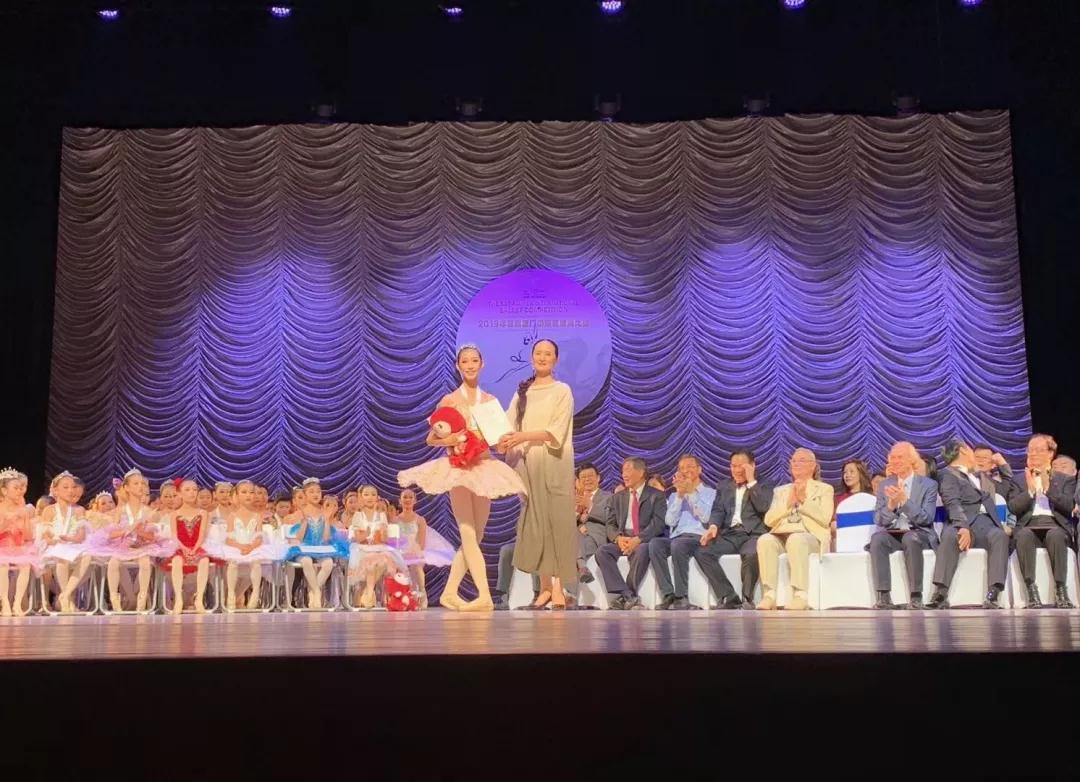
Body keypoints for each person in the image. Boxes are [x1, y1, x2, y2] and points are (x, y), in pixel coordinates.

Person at [400, 344, 526, 612]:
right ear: (458, 366)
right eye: (465, 361)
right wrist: (454, 439)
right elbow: (431, 438)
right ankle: (485, 595)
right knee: (467, 532)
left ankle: (448, 592)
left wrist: (503, 441)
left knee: (475, 536)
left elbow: (497, 440)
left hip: (484, 467)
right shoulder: (449, 400)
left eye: (474, 361)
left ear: (482, 364)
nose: (469, 365)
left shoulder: (490, 401)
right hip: (458, 469)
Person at [497, 339, 577, 610]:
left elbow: (556, 431)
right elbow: (506, 425)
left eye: (548, 354)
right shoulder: (523, 392)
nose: (543, 357)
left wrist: (522, 436)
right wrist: (501, 439)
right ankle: (544, 588)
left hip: (554, 461)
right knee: (536, 522)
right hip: (528, 463)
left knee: (558, 522)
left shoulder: (562, 390)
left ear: (555, 359)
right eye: (538, 353)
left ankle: (559, 587)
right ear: (532, 358)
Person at [927, 439, 1010, 609]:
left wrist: (1003, 465)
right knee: (951, 535)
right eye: (972, 451)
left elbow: (1007, 488)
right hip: (962, 520)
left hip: (986, 523)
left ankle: (993, 593)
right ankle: (941, 593)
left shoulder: (982, 477)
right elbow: (952, 502)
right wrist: (962, 526)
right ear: (964, 451)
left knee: (999, 536)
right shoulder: (947, 474)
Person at [1004, 434, 1077, 608]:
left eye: (1039, 450)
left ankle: (1061, 591)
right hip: (1029, 525)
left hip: (1055, 525)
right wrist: (1030, 492)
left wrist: (1048, 489)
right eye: (1031, 450)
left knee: (1055, 536)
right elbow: (1013, 507)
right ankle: (1031, 591)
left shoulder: (1064, 479)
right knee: (1023, 536)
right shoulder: (1018, 479)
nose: (1034, 454)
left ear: (1050, 453)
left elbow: (1069, 506)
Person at [88, 469, 176, 612]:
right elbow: (110, 533)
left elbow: (153, 536)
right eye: (136, 483)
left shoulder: (148, 511)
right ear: (127, 488)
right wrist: (125, 531)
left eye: (142, 483)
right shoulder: (120, 510)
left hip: (143, 546)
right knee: (114, 563)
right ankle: (115, 599)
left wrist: (141, 533)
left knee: (145, 562)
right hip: (122, 545)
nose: (140, 486)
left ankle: (142, 598)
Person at [757, 448, 833, 611]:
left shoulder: (824, 489)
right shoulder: (781, 491)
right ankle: (769, 595)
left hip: (810, 536)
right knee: (765, 540)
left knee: (796, 539)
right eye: (794, 461)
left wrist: (804, 500)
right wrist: (787, 505)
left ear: (813, 466)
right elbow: (768, 520)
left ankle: (800, 595)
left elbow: (825, 518)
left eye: (802, 460)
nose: (796, 464)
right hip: (782, 533)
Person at [698, 450, 774, 608]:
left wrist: (751, 481)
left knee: (751, 554)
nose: (737, 470)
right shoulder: (724, 485)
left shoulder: (765, 484)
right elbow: (718, 510)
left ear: (752, 466)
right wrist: (713, 526)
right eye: (733, 466)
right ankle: (729, 595)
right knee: (702, 552)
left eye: (742, 466)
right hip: (730, 534)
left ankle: (747, 598)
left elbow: (763, 507)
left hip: (753, 534)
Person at [867, 442, 939, 609]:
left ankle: (916, 596)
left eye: (900, 457)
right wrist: (891, 506)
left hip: (919, 533)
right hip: (893, 533)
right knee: (877, 539)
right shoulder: (885, 485)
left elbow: (926, 518)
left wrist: (905, 501)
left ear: (912, 460)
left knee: (910, 538)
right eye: (893, 458)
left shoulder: (928, 485)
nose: (895, 461)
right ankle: (884, 597)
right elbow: (879, 519)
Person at [594, 457, 666, 609]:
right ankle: (628, 595)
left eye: (627, 470)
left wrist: (638, 539)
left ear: (640, 472)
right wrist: (618, 538)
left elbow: (658, 524)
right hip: (623, 539)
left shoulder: (656, 495)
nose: (623, 475)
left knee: (643, 549)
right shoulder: (617, 497)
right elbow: (610, 524)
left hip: (643, 539)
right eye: (622, 471)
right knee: (602, 552)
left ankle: (626, 595)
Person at [648, 455, 716, 610]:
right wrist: (679, 495)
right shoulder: (674, 495)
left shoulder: (710, 493)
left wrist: (690, 493)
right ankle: (668, 594)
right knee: (655, 544)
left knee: (679, 544)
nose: (685, 470)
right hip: (676, 537)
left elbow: (706, 518)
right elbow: (670, 521)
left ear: (699, 469)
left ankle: (682, 596)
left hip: (698, 537)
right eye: (682, 468)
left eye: (690, 466)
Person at [205, 479, 282, 610]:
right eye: (244, 492)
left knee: (256, 563)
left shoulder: (257, 516)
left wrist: (251, 547)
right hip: (236, 547)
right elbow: (228, 539)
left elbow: (259, 537)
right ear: (237, 495)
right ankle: (230, 594)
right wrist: (240, 547)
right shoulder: (232, 516)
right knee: (233, 563)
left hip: (252, 548)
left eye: (251, 492)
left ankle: (255, 593)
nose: (248, 495)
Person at [283, 478, 350, 609]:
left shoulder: (323, 512)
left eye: (318, 491)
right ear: (305, 495)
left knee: (328, 563)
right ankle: (317, 592)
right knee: (307, 561)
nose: (315, 494)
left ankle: (313, 591)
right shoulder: (300, 512)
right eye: (311, 492)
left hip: (320, 547)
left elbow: (325, 538)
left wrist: (326, 520)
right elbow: (299, 538)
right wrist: (304, 521)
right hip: (304, 547)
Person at [162, 478, 219, 615]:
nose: (192, 493)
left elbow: (202, 535)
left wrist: (194, 549)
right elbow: (174, 535)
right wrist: (184, 548)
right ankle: (179, 599)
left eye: (194, 490)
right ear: (179, 493)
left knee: (204, 560)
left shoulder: (203, 513)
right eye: (187, 490)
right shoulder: (174, 514)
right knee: (177, 561)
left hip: (197, 546)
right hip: (180, 547)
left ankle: (199, 599)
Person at [39, 471, 93, 613]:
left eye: (73, 487)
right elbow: (45, 535)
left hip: (72, 544)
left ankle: (65, 595)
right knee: (61, 558)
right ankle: (67, 600)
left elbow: (81, 536)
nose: (70, 490)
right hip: (54, 546)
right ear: (56, 490)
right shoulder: (49, 510)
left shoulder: (79, 510)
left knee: (87, 556)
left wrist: (70, 539)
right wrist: (53, 540)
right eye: (66, 487)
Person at [396, 488, 454, 609]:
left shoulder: (420, 520)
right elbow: (395, 540)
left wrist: (414, 552)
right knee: (397, 568)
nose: (407, 500)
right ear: (400, 500)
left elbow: (421, 542)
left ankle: (422, 593)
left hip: (416, 550)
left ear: (415, 500)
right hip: (400, 552)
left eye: (410, 497)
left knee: (416, 566)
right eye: (405, 497)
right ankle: (401, 597)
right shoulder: (395, 520)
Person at [346, 485, 403, 609]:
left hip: (378, 548)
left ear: (377, 498)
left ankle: (365, 593)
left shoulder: (381, 516)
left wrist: (383, 532)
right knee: (371, 564)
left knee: (384, 562)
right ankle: (368, 594)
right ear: (361, 497)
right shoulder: (358, 515)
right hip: (362, 549)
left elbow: (384, 540)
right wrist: (365, 534)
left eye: (373, 494)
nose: (370, 497)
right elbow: (357, 538)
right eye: (366, 494)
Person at [0, 468, 39, 616]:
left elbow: (28, 536)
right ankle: (4, 602)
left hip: (18, 547)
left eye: (20, 488)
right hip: (2, 548)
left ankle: (17, 603)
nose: (19, 491)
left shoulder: (23, 510)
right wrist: (7, 522)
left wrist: (24, 524)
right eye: (15, 488)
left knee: (26, 565)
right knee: (2, 565)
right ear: (4, 491)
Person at [574, 462, 612, 584]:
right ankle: (582, 567)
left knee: (578, 543)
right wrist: (577, 515)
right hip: (576, 536)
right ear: (578, 481)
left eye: (590, 476)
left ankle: (580, 566)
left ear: (598, 477)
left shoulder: (609, 497)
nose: (587, 480)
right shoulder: (574, 499)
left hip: (596, 537)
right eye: (583, 477)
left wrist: (590, 505)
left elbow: (610, 518)